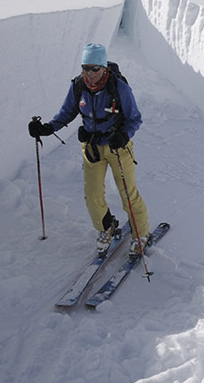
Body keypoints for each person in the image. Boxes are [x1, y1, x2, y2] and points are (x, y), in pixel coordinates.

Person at [28, 43, 152, 257]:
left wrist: (123, 135)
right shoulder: (78, 86)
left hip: (118, 148)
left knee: (127, 194)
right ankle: (106, 228)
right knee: (92, 195)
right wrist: (47, 128)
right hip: (92, 148)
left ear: (104, 67)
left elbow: (135, 119)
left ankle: (141, 233)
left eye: (95, 68)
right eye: (86, 68)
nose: (90, 73)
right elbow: (67, 112)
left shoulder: (118, 88)